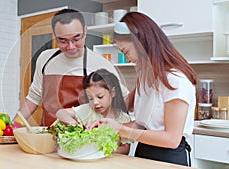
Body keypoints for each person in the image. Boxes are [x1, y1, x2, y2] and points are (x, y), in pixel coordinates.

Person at [88, 12, 197, 166]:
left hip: (169, 159)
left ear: (142, 42)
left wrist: (121, 129)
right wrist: (106, 127)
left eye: (126, 51)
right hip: (143, 153)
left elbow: (172, 139)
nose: (126, 58)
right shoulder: (145, 78)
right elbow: (141, 124)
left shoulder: (176, 81)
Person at [13, 9, 129, 127]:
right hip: (48, 134)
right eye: (63, 41)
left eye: (76, 38)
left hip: (81, 139)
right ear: (55, 35)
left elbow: (122, 100)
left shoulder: (102, 64)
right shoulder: (45, 59)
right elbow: (34, 97)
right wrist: (14, 125)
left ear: (85, 30)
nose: (71, 46)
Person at [56, 69, 131, 155]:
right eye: (90, 98)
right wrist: (74, 124)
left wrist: (104, 151)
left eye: (100, 97)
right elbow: (60, 113)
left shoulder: (124, 118)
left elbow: (125, 149)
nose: (95, 102)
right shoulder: (88, 110)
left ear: (112, 92)